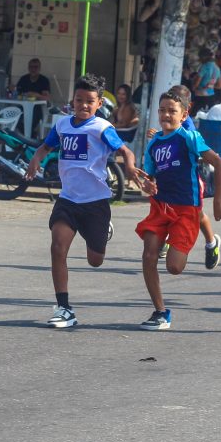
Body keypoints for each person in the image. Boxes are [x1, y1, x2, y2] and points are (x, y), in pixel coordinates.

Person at [25, 75, 140, 328]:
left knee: (95, 260)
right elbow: (45, 147)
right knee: (57, 247)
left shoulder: (101, 128)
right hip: (68, 200)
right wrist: (36, 160)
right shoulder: (62, 125)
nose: (84, 105)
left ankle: (102, 231)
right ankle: (64, 307)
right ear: (72, 101)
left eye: (90, 101)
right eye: (79, 100)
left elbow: (125, 151)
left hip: (95, 202)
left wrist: (130, 166)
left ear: (99, 103)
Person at [135, 90, 221, 330]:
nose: (166, 114)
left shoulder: (189, 137)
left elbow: (218, 162)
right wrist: (146, 183)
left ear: (184, 114)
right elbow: (149, 176)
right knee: (148, 256)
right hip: (160, 207)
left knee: (174, 267)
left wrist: (217, 199)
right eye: (162, 110)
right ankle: (160, 312)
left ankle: (206, 239)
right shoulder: (154, 143)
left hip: (187, 209)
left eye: (172, 111)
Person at [13, 58, 51, 134]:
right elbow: (17, 93)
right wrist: (12, 89)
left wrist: (36, 95)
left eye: (35, 67)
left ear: (39, 68)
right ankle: (23, 135)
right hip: (22, 106)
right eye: (31, 67)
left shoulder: (44, 80)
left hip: (38, 108)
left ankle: (28, 136)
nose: (33, 69)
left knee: (32, 118)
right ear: (28, 68)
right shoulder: (24, 79)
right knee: (14, 113)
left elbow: (47, 98)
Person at [191, 48, 221, 114]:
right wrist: (210, 86)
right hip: (211, 96)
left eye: (200, 57)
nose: (199, 59)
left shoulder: (204, 67)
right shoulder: (217, 68)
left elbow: (197, 82)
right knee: (208, 116)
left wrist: (193, 87)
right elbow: (219, 86)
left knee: (194, 115)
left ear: (203, 57)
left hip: (200, 96)